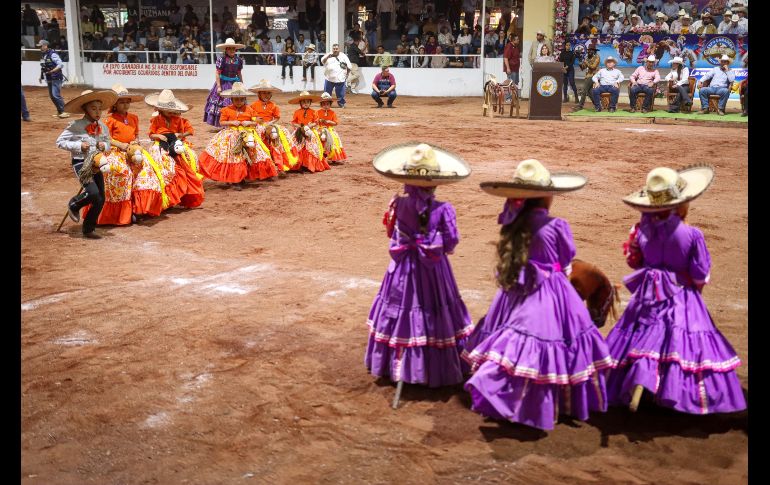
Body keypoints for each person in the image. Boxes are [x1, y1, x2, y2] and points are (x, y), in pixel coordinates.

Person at [462, 159, 612, 430]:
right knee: (549, 340)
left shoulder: (512, 222)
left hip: (515, 288)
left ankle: (504, 391)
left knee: (510, 339)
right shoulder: (557, 225)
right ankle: (539, 404)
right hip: (549, 290)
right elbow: (567, 260)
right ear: (545, 196)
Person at [607, 165, 747, 415]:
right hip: (680, 290)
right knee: (679, 336)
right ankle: (669, 391)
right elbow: (699, 273)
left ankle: (639, 381)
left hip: (648, 291)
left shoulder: (641, 230)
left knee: (642, 331)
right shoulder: (692, 234)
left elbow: (634, 261)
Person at [367, 142, 474, 388]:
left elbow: (391, 232)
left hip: (403, 267)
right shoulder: (444, 209)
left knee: (402, 308)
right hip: (434, 270)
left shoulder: (397, 204)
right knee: (436, 309)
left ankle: (397, 365)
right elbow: (450, 243)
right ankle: (432, 366)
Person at [56, 89, 119, 239]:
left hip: (97, 162)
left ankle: (88, 229)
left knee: (100, 198)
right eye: (93, 108)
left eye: (99, 109)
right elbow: (59, 142)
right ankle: (74, 204)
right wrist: (78, 146)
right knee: (93, 193)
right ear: (85, 109)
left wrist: (105, 146)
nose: (97, 112)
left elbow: (108, 143)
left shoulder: (103, 127)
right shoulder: (75, 125)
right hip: (81, 163)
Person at [199, 82, 274, 189]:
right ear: (232, 99)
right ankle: (235, 179)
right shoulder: (226, 110)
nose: (239, 102)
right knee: (234, 156)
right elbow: (222, 122)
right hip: (231, 135)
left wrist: (249, 123)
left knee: (251, 154)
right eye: (236, 99)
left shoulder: (249, 109)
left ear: (244, 99)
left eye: (241, 99)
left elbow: (258, 121)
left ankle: (243, 177)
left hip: (247, 134)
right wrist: (232, 122)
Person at [145, 89, 198, 209]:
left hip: (175, 144)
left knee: (186, 162)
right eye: (166, 109)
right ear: (160, 109)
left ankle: (181, 195)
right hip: (160, 145)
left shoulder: (178, 120)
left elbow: (184, 133)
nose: (169, 111)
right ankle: (167, 198)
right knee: (163, 168)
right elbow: (151, 134)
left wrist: (179, 135)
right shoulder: (156, 120)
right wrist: (158, 136)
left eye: (170, 109)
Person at [249, 80, 299, 172]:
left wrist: (270, 123)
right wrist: (256, 121)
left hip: (270, 124)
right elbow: (251, 117)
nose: (266, 95)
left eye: (268, 93)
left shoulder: (273, 105)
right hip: (257, 126)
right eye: (264, 93)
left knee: (278, 135)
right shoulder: (253, 105)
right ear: (259, 94)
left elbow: (276, 117)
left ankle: (279, 160)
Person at [203, 38, 245, 127]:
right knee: (223, 103)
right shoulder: (221, 60)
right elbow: (217, 73)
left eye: (233, 48)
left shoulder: (239, 60)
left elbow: (239, 73)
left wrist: (242, 84)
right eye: (229, 48)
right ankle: (225, 123)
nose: (232, 50)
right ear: (226, 49)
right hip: (224, 83)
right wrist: (218, 86)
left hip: (235, 83)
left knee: (238, 102)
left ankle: (236, 121)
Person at [289, 91, 329, 173]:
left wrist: (308, 127)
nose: (305, 103)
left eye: (307, 102)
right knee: (295, 145)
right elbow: (293, 122)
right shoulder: (297, 112)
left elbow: (316, 122)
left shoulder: (314, 112)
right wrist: (300, 127)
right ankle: (298, 164)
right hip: (299, 131)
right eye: (303, 102)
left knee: (312, 146)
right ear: (300, 103)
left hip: (310, 131)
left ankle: (309, 165)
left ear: (310, 102)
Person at [38, 40, 68, 119]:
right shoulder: (44, 55)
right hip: (49, 77)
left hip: (56, 77)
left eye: (40, 46)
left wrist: (52, 71)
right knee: (52, 96)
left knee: (56, 95)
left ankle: (65, 111)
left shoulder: (53, 54)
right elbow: (43, 67)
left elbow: (60, 64)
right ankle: (60, 111)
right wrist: (41, 76)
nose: (39, 48)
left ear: (45, 46)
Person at [315, 92, 347, 164]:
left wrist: (329, 121)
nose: (326, 106)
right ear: (321, 105)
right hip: (320, 129)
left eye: (327, 104)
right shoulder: (317, 112)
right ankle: (321, 158)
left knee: (334, 140)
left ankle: (333, 158)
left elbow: (335, 123)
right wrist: (319, 120)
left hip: (330, 129)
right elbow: (315, 121)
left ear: (330, 104)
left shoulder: (332, 112)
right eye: (324, 104)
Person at [321, 44, 352, 108]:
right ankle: (326, 104)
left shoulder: (343, 56)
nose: (335, 50)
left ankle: (341, 104)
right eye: (334, 49)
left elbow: (349, 66)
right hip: (329, 78)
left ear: (339, 49)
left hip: (340, 79)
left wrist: (347, 74)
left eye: (336, 49)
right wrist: (327, 57)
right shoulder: (328, 54)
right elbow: (322, 61)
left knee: (341, 94)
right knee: (326, 94)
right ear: (332, 49)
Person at [577, 45, 600, 110]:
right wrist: (580, 61)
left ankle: (580, 106)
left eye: (591, 50)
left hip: (593, 76)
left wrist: (586, 62)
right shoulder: (587, 58)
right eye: (588, 50)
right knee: (589, 93)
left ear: (594, 51)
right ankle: (597, 105)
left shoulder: (597, 57)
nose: (589, 51)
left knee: (584, 90)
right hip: (588, 76)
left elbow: (593, 67)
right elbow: (583, 68)